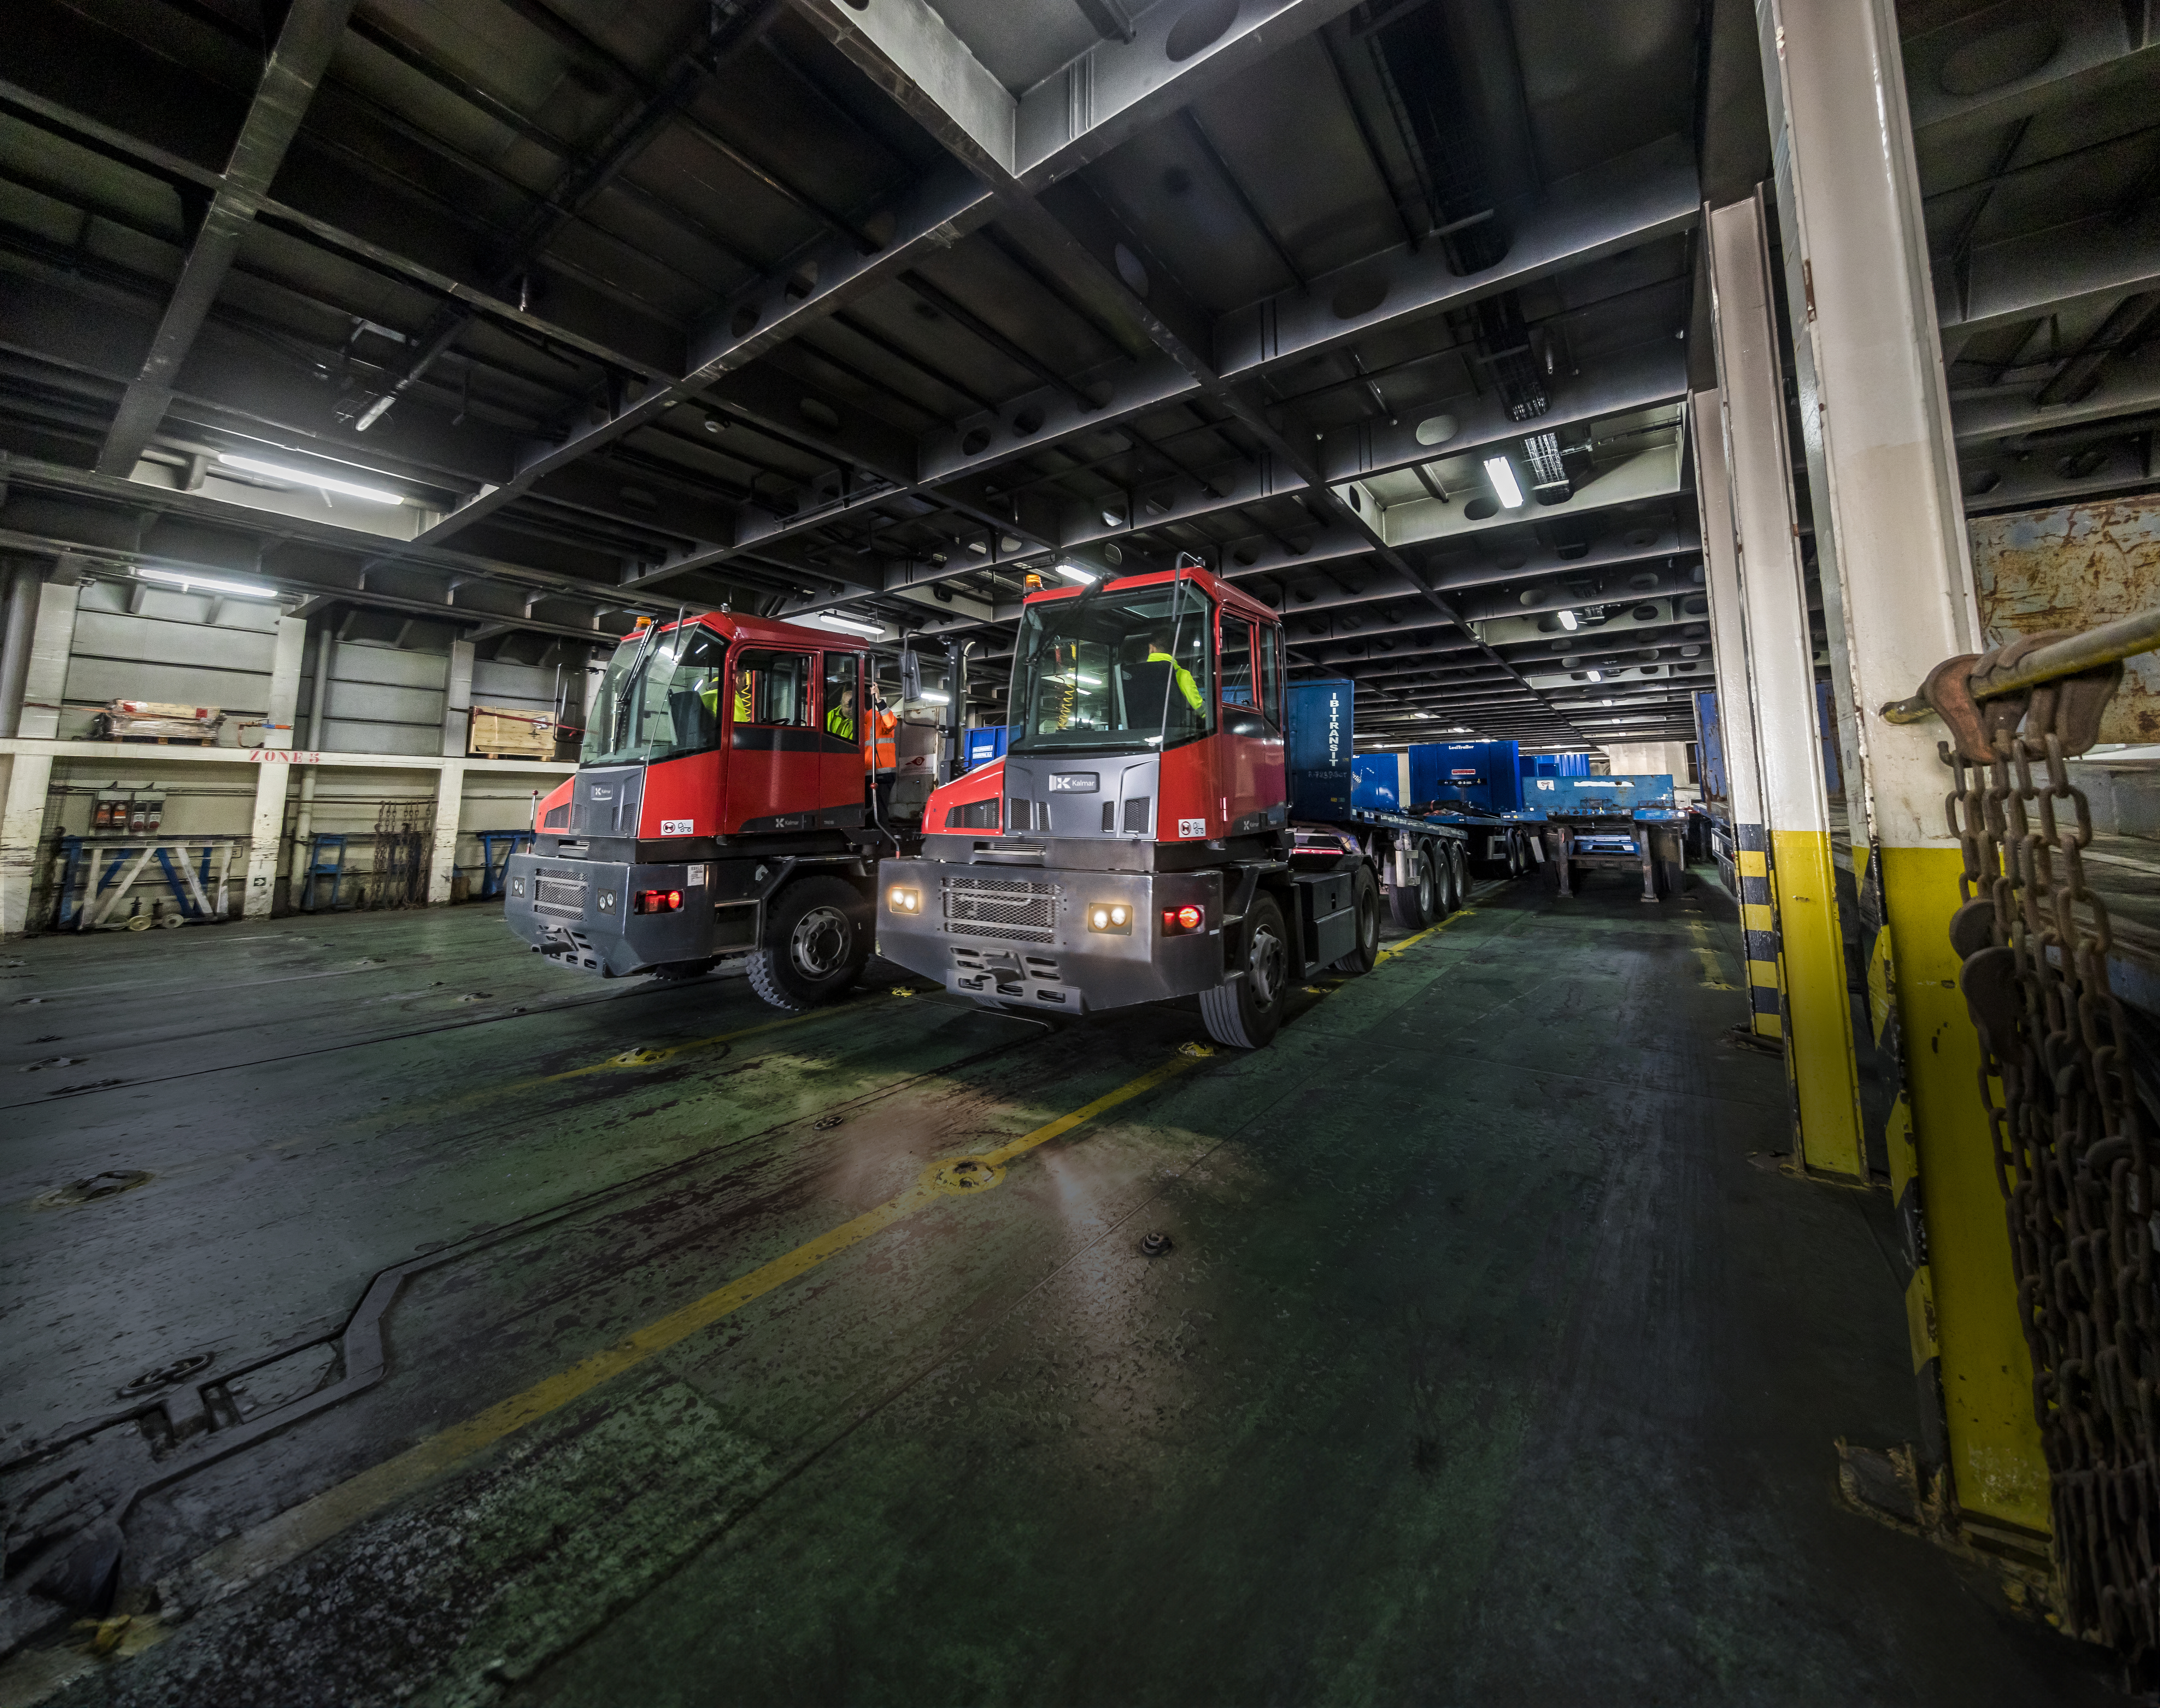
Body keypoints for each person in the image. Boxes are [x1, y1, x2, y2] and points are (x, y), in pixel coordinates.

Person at [1146, 629, 1203, 712]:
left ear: (1152, 648)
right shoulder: (1182, 675)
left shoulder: (1134, 675)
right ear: (1174, 651)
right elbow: (1198, 707)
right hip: (1173, 724)